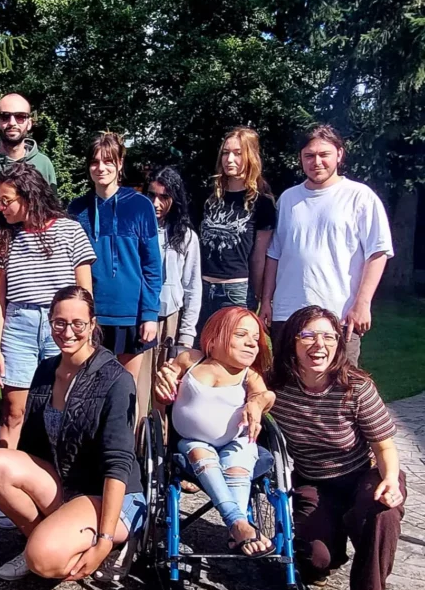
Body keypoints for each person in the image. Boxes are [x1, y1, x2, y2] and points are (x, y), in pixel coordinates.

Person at [0, 286, 145, 582]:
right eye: (59, 322)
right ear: (50, 322)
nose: (67, 332)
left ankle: (107, 545)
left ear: (92, 324)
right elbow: (32, 444)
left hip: (111, 496)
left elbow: (119, 465)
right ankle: (38, 540)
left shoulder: (116, 380)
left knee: (44, 561)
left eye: (78, 324)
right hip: (67, 484)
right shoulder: (46, 369)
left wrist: (105, 537)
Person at [268, 305, 404, 590]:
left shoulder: (355, 388)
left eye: (329, 336)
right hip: (314, 483)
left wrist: (389, 479)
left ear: (339, 344)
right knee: (316, 560)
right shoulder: (276, 384)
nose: (320, 345)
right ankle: (336, 535)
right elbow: (228, 369)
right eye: (309, 336)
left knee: (382, 515)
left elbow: (384, 447)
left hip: (363, 476)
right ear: (292, 342)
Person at [261, 125, 393, 367]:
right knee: (287, 393)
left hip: (339, 316)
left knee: (339, 393)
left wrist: (363, 304)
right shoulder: (288, 199)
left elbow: (378, 252)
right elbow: (274, 254)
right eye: (309, 156)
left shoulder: (360, 197)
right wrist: (266, 301)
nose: (316, 162)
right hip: (286, 315)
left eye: (324, 154)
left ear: (339, 154)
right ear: (301, 158)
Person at [0, 163, 95, 453]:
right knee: (13, 410)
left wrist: (85, 337)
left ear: (29, 196)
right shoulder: (3, 236)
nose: (1, 207)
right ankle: (3, 482)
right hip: (18, 327)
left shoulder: (70, 230)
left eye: (6, 200)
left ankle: (61, 480)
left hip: (63, 327)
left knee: (61, 409)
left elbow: (85, 294)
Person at [153, 307, 276, 557]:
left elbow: (266, 395)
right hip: (192, 441)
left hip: (237, 440)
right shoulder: (191, 359)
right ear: (214, 336)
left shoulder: (248, 375)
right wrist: (163, 380)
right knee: (200, 452)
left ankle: (237, 525)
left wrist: (256, 403)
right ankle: (238, 524)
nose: (251, 343)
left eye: (255, 339)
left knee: (239, 466)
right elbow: (165, 384)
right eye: (241, 335)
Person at [68, 132, 161, 424]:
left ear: (120, 163)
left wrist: (149, 313)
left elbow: (152, 265)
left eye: (108, 161)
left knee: (126, 393)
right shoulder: (77, 209)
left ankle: (126, 461)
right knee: (88, 391)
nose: (101, 168)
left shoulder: (141, 205)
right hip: (92, 316)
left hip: (130, 315)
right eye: (94, 162)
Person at [197, 127, 276, 330]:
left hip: (236, 291)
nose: (229, 159)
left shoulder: (262, 203)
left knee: (231, 353)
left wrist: (257, 296)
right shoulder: (209, 197)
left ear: (250, 156)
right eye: (225, 152)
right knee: (200, 353)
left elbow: (260, 256)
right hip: (203, 288)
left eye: (237, 153)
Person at [143, 167, 201, 410]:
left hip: (171, 319)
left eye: (164, 197)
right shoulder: (138, 231)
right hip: (143, 318)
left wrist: (186, 334)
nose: (156, 203)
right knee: (138, 387)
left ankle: (159, 442)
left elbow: (192, 287)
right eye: (151, 196)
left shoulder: (187, 237)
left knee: (166, 390)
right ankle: (133, 443)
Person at [0, 93, 57, 210]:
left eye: (20, 116)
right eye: (5, 116)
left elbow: (52, 211)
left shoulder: (43, 164)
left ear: (29, 123)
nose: (12, 122)